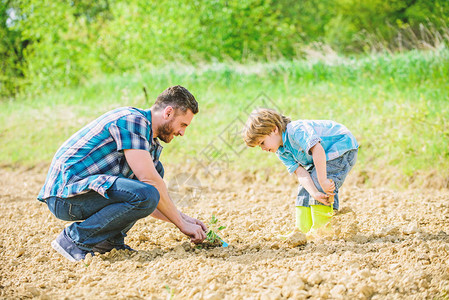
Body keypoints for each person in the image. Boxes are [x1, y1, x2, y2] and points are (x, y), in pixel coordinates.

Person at [37, 85, 207, 262]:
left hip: (84, 195)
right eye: (183, 124)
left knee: (154, 178)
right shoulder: (133, 121)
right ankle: (73, 239)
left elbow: (153, 202)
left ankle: (106, 242)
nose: (182, 132)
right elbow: (149, 187)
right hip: (64, 197)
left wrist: (185, 219)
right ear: (168, 112)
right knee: (148, 189)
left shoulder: (149, 143)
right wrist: (182, 225)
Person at [243, 108, 358, 234]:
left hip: (341, 147)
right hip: (323, 156)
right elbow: (301, 173)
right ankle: (302, 230)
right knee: (305, 188)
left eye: (262, 143)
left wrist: (323, 180)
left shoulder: (296, 130)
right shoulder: (281, 151)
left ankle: (323, 230)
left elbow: (317, 149)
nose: (263, 148)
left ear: (274, 129)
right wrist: (314, 193)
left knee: (320, 182)